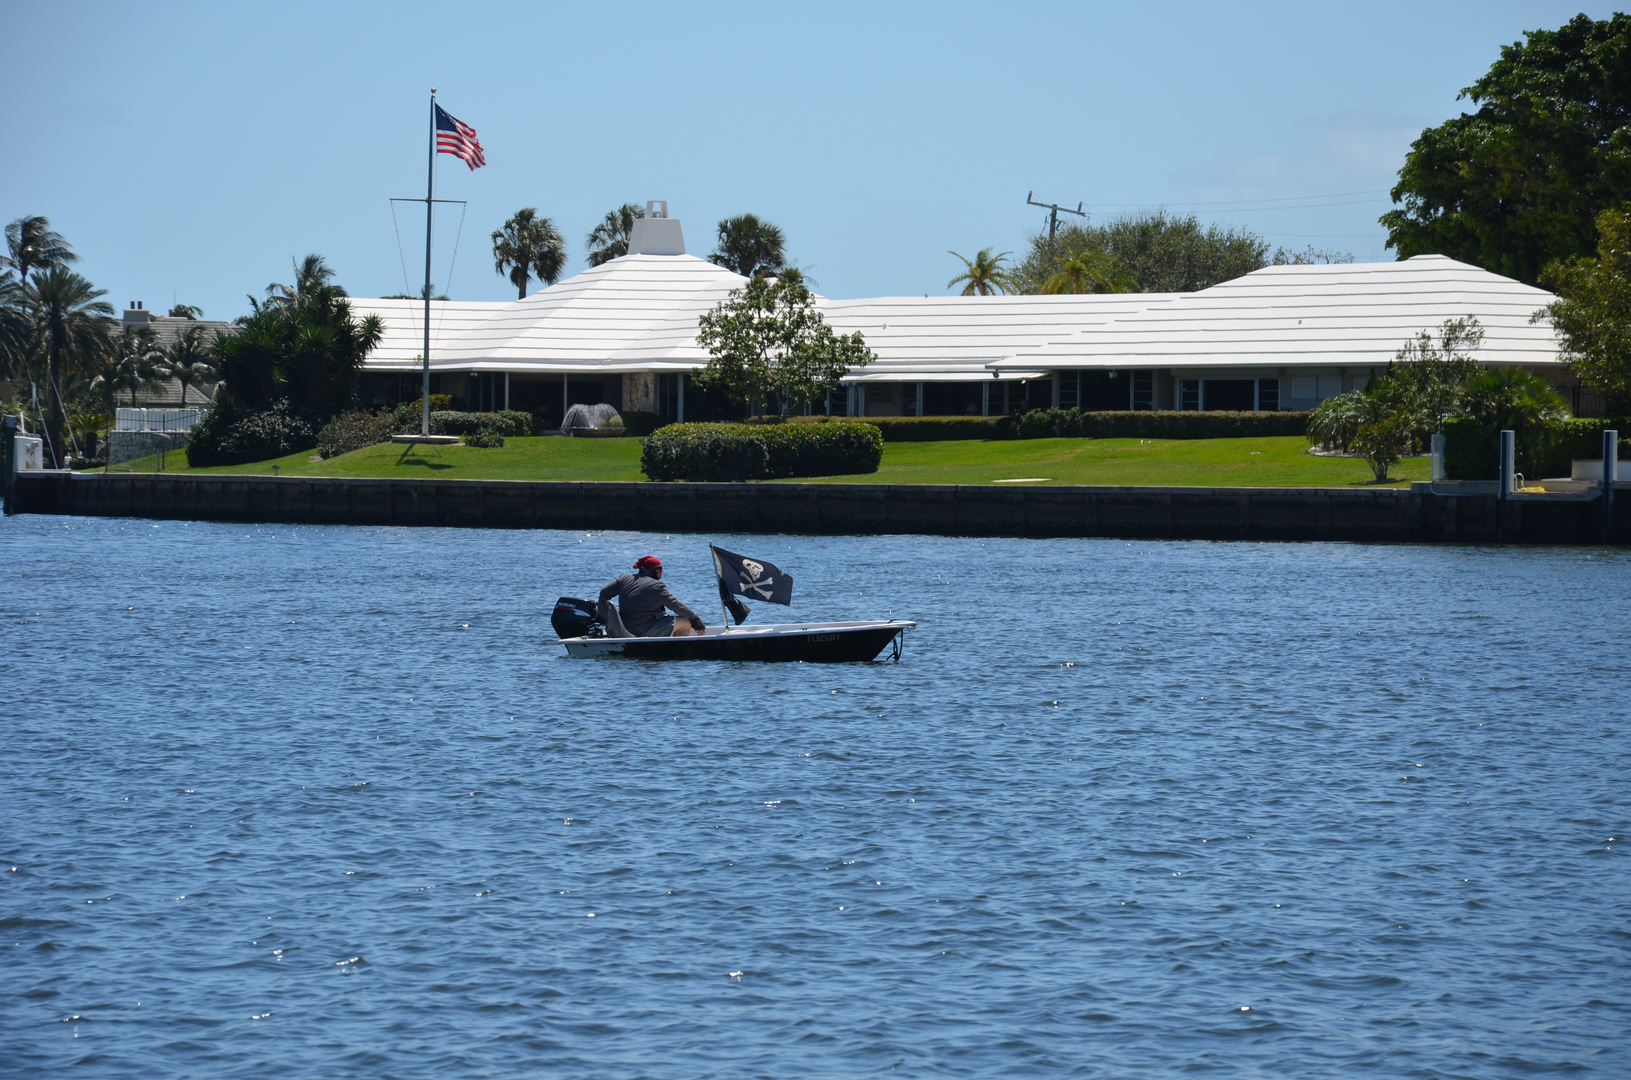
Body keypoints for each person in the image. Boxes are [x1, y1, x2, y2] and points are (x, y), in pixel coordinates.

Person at [599, 556, 706, 637]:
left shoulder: (624, 579)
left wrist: (603, 617)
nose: (662, 571)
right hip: (641, 630)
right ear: (654, 570)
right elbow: (675, 605)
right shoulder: (656, 585)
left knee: (668, 617)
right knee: (685, 622)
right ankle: (678, 650)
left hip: (623, 628)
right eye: (660, 568)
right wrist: (694, 619)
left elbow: (603, 593)